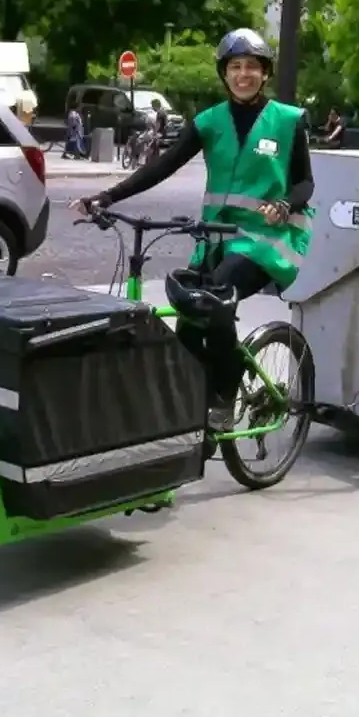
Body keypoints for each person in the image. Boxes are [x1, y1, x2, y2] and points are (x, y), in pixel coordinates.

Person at [70, 28, 315, 431]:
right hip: (215, 238)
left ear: (265, 73)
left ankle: (222, 394)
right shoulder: (209, 122)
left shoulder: (288, 121)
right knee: (188, 321)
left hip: (265, 241)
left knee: (216, 297)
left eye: (252, 67)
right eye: (234, 67)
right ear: (224, 74)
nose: (243, 74)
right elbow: (161, 166)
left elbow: (306, 183)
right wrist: (107, 197)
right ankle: (189, 406)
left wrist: (286, 203)